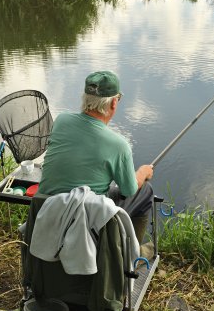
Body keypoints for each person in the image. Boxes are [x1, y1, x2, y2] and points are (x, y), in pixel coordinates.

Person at [38, 70, 154, 244]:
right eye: (119, 98)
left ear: (85, 98)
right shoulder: (119, 145)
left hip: (48, 208)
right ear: (114, 102)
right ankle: (131, 256)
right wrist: (143, 172)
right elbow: (129, 190)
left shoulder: (61, 121)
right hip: (87, 218)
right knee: (145, 190)